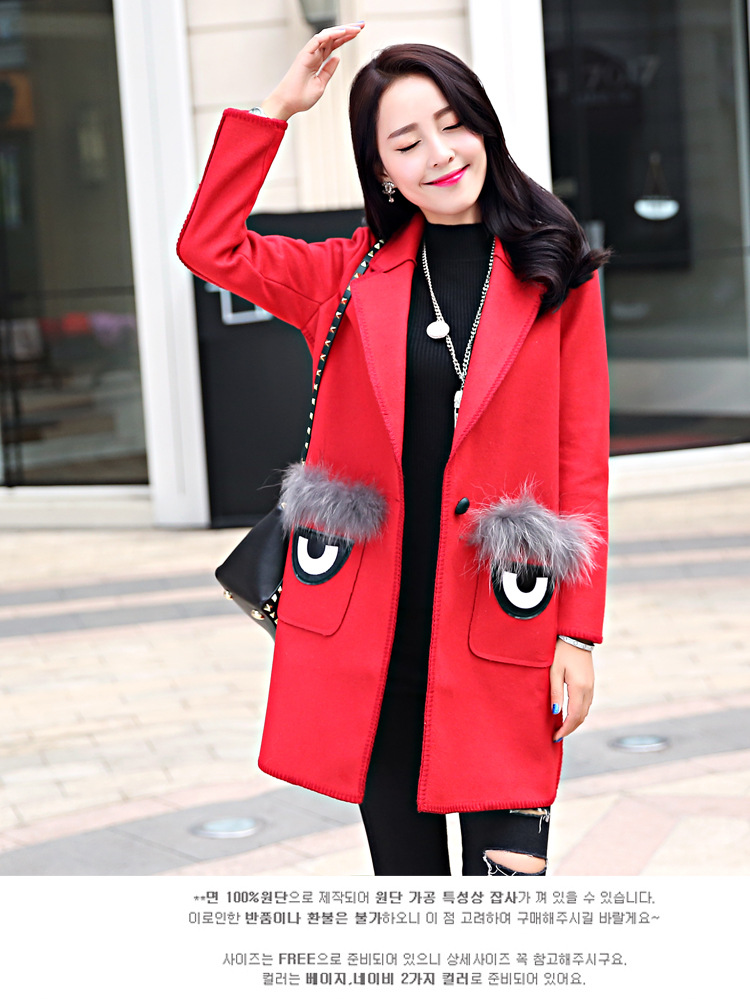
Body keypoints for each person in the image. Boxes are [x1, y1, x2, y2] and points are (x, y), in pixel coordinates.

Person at [177, 23, 610, 876]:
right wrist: (277, 110)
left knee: (508, 893)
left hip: (503, 627)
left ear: (483, 128)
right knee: (409, 896)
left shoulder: (556, 270)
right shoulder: (342, 276)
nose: (440, 154)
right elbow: (209, 245)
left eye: (453, 125)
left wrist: (579, 635)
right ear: (382, 171)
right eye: (408, 143)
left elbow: (581, 460)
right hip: (374, 644)